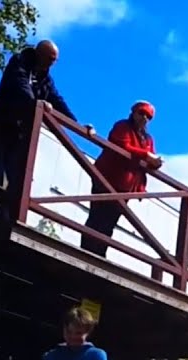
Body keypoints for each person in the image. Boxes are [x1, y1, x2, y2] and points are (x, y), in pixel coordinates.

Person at [0, 40, 93, 225]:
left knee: (18, 177)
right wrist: (36, 103)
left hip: (18, 132)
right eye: (50, 58)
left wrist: (76, 124)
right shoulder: (19, 62)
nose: (52, 63)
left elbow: (57, 99)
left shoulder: (46, 78)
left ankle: (3, 218)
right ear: (39, 53)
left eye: (55, 60)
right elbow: (20, 85)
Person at [81, 100, 162, 257]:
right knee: (96, 218)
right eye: (141, 113)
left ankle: (99, 254)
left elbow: (148, 160)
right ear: (133, 113)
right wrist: (146, 155)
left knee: (109, 222)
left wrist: (155, 163)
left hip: (125, 187)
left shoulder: (147, 138)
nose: (144, 118)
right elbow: (122, 146)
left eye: (148, 116)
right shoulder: (122, 126)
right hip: (106, 179)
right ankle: (86, 251)